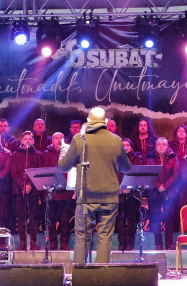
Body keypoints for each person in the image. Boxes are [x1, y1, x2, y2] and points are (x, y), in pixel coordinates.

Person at [59, 107, 132, 264]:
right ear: (105, 121)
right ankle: (101, 279)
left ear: (88, 121)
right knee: (105, 236)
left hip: (86, 197)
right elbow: (127, 168)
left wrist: (63, 151)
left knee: (82, 236)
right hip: (110, 198)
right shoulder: (116, 140)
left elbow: (63, 167)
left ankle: (79, 279)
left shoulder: (79, 139)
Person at [10, 131, 43, 251]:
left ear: (33, 141)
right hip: (19, 191)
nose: (28, 140)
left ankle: (33, 242)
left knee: (34, 218)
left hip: (33, 192)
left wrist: (30, 186)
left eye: (30, 139)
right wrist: (22, 185)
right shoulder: (15, 155)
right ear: (22, 141)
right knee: (21, 218)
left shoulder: (38, 155)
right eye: (25, 139)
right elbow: (14, 173)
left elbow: (38, 173)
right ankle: (22, 243)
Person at [42, 132, 74, 250]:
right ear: (52, 140)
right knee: (51, 221)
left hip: (65, 193)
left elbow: (72, 170)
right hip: (52, 193)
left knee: (65, 220)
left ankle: (64, 243)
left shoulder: (69, 153)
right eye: (56, 138)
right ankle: (53, 243)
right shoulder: (46, 154)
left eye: (61, 138)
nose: (59, 140)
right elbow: (44, 171)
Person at [147, 137, 179, 250]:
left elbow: (176, 173)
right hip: (154, 192)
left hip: (169, 192)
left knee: (169, 218)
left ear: (167, 146)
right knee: (155, 218)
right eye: (159, 144)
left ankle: (169, 243)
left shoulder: (173, 157)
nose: (161, 146)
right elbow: (149, 173)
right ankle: (158, 244)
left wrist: (165, 186)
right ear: (155, 146)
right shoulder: (150, 157)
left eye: (163, 144)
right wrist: (158, 185)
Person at [117, 138, 144, 250]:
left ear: (131, 147)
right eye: (123, 145)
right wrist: (119, 188)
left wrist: (128, 187)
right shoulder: (116, 159)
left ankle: (130, 243)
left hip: (133, 194)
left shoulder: (136, 158)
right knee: (120, 219)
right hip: (119, 194)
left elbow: (137, 174)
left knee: (132, 220)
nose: (125, 146)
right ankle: (122, 242)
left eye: (127, 144)